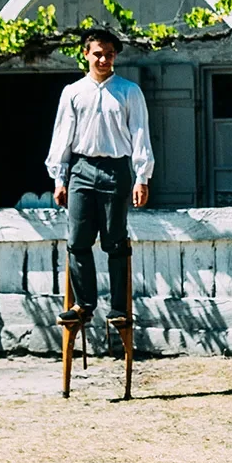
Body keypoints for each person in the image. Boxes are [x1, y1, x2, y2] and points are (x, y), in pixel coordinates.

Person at [45, 29, 153, 327]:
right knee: (78, 240)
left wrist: (141, 177)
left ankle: (118, 309)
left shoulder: (128, 91)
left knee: (114, 241)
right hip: (81, 170)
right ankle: (84, 304)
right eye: (98, 54)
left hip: (116, 170)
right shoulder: (73, 92)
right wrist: (59, 178)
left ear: (115, 56)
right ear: (86, 54)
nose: (103, 59)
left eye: (109, 54)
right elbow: (62, 137)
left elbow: (140, 133)